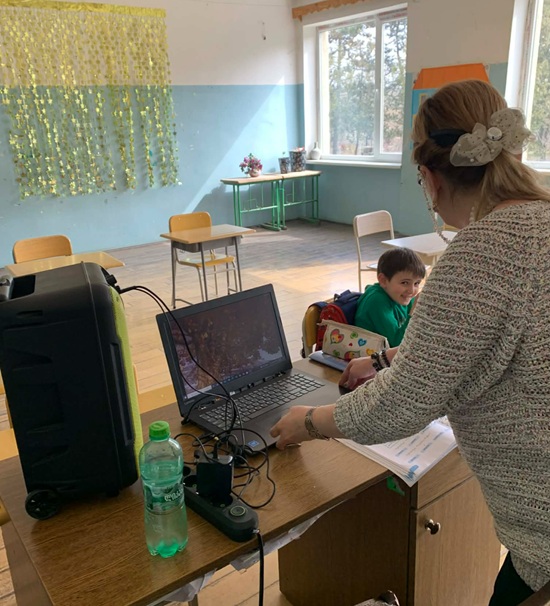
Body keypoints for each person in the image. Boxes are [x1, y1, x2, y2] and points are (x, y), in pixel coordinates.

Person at [270, 79, 550, 605]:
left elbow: (399, 407)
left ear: (431, 177)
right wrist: (389, 357)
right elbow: (492, 339)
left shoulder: (481, 254)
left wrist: (308, 422)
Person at [354, 247, 425, 347]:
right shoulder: (377, 301)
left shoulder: (400, 295)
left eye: (417, 283)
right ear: (383, 280)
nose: (411, 290)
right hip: (370, 353)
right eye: (404, 282)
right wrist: (414, 313)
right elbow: (397, 343)